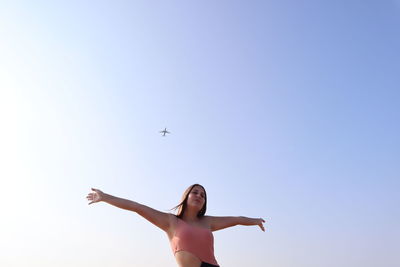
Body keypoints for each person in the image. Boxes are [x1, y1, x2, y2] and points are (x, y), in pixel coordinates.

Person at [86, 184, 265, 267]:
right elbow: (136, 207)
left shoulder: (208, 222)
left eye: (203, 195)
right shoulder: (170, 222)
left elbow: (236, 219)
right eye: (195, 192)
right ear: (186, 196)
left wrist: (255, 221)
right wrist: (106, 197)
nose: (199, 196)